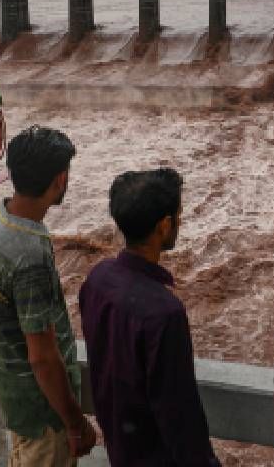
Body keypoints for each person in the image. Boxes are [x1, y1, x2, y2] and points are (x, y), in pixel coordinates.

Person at [0, 125, 97, 467]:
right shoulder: (29, 256)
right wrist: (74, 422)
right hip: (45, 417)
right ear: (59, 179)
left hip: (16, 400)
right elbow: (42, 356)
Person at [79, 168, 220, 467]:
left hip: (120, 448)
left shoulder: (97, 280)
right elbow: (179, 413)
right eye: (178, 216)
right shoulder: (164, 313)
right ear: (164, 226)